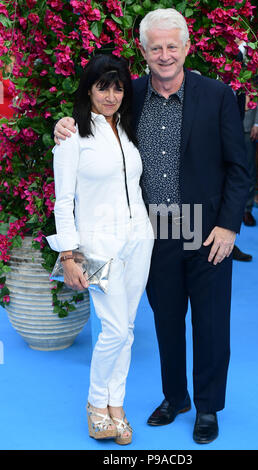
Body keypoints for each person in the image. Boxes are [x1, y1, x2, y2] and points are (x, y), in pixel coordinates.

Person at [54, 8, 250, 444]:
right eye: (155, 47)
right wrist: (64, 124)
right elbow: (91, 128)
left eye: (171, 46)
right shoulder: (129, 94)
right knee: (165, 320)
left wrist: (229, 226)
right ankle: (175, 396)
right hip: (150, 229)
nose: (164, 55)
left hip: (206, 230)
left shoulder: (218, 95)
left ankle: (207, 407)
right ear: (143, 51)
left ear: (186, 47)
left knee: (212, 322)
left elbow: (240, 167)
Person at [46, 54, 154, 445]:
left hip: (140, 238)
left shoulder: (127, 129)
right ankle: (96, 403)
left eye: (118, 87)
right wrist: (70, 255)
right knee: (112, 328)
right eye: (103, 87)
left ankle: (117, 403)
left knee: (126, 328)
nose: (111, 96)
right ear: (88, 89)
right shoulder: (72, 135)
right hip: (97, 245)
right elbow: (63, 201)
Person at [242, 96, 258, 226]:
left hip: (248, 124)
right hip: (224, 122)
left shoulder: (253, 75)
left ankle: (247, 209)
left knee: (249, 169)